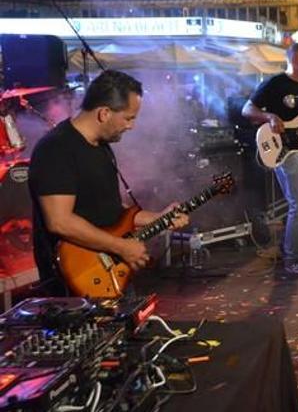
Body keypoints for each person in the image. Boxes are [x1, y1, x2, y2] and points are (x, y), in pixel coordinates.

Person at [29, 70, 189, 296]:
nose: (131, 126)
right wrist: (121, 247)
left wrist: (158, 217)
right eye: (128, 118)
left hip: (111, 272)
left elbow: (109, 211)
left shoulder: (102, 147)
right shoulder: (56, 148)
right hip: (75, 281)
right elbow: (60, 221)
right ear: (104, 113)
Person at [242, 43, 298, 275]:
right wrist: (269, 116)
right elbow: (247, 109)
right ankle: (291, 259)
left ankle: (293, 245)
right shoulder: (275, 83)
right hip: (285, 151)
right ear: (295, 59)